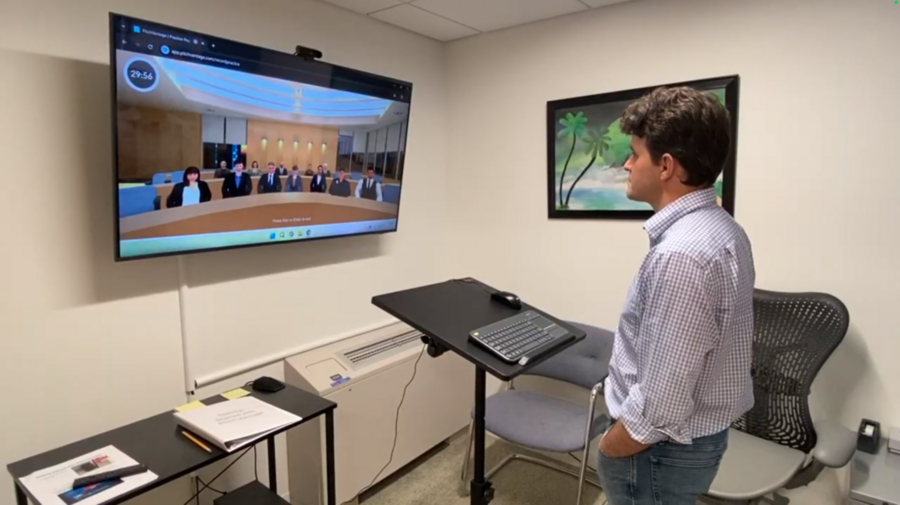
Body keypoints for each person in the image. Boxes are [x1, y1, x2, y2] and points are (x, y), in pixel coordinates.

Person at [596, 86, 754, 505]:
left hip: (658, 450)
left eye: (635, 154)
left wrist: (611, 446)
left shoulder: (681, 255)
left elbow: (662, 402)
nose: (627, 164)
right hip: (692, 439)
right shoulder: (724, 228)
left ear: (666, 166)